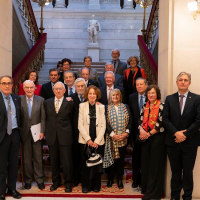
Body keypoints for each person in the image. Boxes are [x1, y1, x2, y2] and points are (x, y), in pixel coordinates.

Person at [162, 72, 200, 200]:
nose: (183, 82)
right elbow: (165, 119)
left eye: (185, 80)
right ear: (177, 82)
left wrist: (185, 134)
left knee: (188, 173)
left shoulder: (197, 99)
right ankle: (174, 197)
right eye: (180, 80)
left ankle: (187, 196)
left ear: (189, 83)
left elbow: (198, 120)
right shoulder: (169, 98)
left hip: (190, 142)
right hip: (173, 142)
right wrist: (176, 133)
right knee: (175, 172)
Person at [44, 82, 74, 193]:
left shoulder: (70, 102)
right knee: (54, 161)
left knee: (67, 162)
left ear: (64, 90)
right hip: (52, 136)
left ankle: (68, 183)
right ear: (53, 90)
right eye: (56, 89)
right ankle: (56, 182)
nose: (58, 91)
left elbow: (72, 119)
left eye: (60, 89)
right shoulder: (47, 102)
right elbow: (45, 118)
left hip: (65, 136)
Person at [139, 84, 166, 200]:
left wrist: (148, 134)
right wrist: (141, 131)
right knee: (146, 164)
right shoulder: (145, 105)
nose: (151, 95)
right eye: (149, 93)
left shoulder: (162, 106)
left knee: (155, 166)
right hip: (145, 138)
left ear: (157, 94)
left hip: (157, 138)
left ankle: (153, 194)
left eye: (153, 93)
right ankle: (145, 189)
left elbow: (161, 125)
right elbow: (140, 120)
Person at [78, 85, 106, 193]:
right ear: (87, 95)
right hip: (85, 139)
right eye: (90, 93)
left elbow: (103, 125)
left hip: (98, 139)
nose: (92, 95)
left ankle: (96, 185)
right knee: (86, 164)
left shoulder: (101, 107)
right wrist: (89, 140)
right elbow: (80, 125)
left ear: (97, 95)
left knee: (97, 163)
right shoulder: (82, 106)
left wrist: (96, 141)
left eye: (94, 93)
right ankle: (86, 185)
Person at [19, 80, 45, 190]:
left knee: (38, 157)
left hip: (37, 132)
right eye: (27, 87)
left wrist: (42, 131)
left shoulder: (41, 100)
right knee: (26, 158)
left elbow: (43, 117)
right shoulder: (18, 99)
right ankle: (28, 180)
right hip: (24, 132)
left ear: (35, 88)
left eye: (31, 87)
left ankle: (40, 180)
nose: (29, 89)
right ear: (24, 89)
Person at [104, 89, 131, 189]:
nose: (115, 97)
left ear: (120, 96)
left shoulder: (125, 107)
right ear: (110, 97)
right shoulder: (107, 108)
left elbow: (130, 121)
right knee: (111, 161)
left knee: (120, 160)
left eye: (117, 95)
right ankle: (110, 179)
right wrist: (113, 135)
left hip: (123, 139)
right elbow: (105, 123)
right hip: (111, 139)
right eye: (113, 95)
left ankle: (119, 179)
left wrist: (126, 133)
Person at [0, 75, 21, 200]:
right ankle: (1, 190)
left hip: (14, 134)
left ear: (12, 85)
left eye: (9, 83)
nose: (7, 85)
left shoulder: (16, 98)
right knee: (2, 165)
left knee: (13, 164)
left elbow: (20, 117)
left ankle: (12, 188)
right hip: (2, 136)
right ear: (0, 85)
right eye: (4, 83)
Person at [129, 77, 147, 189]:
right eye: (137, 85)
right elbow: (130, 115)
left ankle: (144, 181)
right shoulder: (131, 97)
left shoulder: (150, 96)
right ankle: (135, 180)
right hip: (135, 133)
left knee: (145, 158)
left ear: (146, 85)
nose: (139, 86)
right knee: (135, 158)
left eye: (141, 84)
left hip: (147, 133)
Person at [69, 78, 87, 186]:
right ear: (75, 88)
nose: (80, 88)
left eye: (82, 86)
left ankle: (85, 179)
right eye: (78, 86)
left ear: (85, 87)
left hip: (87, 134)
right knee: (75, 158)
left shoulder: (89, 97)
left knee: (85, 158)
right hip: (75, 134)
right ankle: (75, 178)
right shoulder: (71, 98)